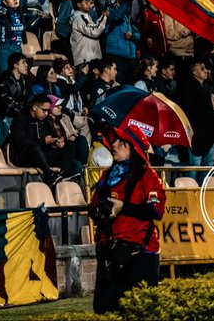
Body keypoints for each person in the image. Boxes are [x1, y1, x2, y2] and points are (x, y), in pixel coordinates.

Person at [89, 127, 165, 313]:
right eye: (113, 141)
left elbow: (156, 211)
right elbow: (92, 208)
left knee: (140, 309)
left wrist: (124, 207)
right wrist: (101, 210)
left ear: (134, 147)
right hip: (110, 251)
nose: (113, 145)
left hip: (140, 252)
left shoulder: (149, 176)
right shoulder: (107, 175)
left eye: (121, 142)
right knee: (104, 310)